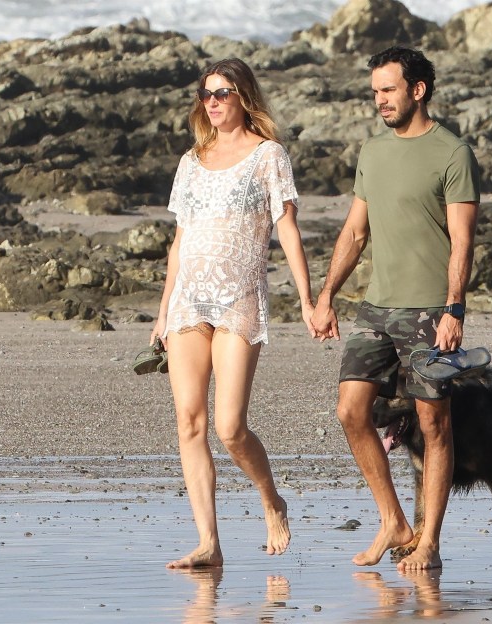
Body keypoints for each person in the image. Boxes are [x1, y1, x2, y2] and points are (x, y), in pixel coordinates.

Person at [311, 46, 480, 571]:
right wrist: (326, 295)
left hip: (429, 309)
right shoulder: (372, 151)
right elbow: (355, 231)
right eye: (375, 91)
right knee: (350, 410)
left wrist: (455, 309)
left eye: (388, 90)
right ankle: (394, 521)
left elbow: (461, 241)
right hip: (377, 307)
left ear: (417, 90)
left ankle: (428, 539)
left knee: (434, 427)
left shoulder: (453, 153)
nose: (379, 100)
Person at [151, 57, 316, 569]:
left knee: (229, 426)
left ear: (243, 95)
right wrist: (161, 313)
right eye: (206, 94)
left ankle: (271, 500)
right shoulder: (191, 160)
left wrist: (307, 300)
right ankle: (209, 542)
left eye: (222, 92)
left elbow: (286, 229)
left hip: (239, 299)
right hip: (187, 302)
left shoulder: (269, 155)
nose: (213, 101)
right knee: (188, 422)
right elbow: (179, 243)